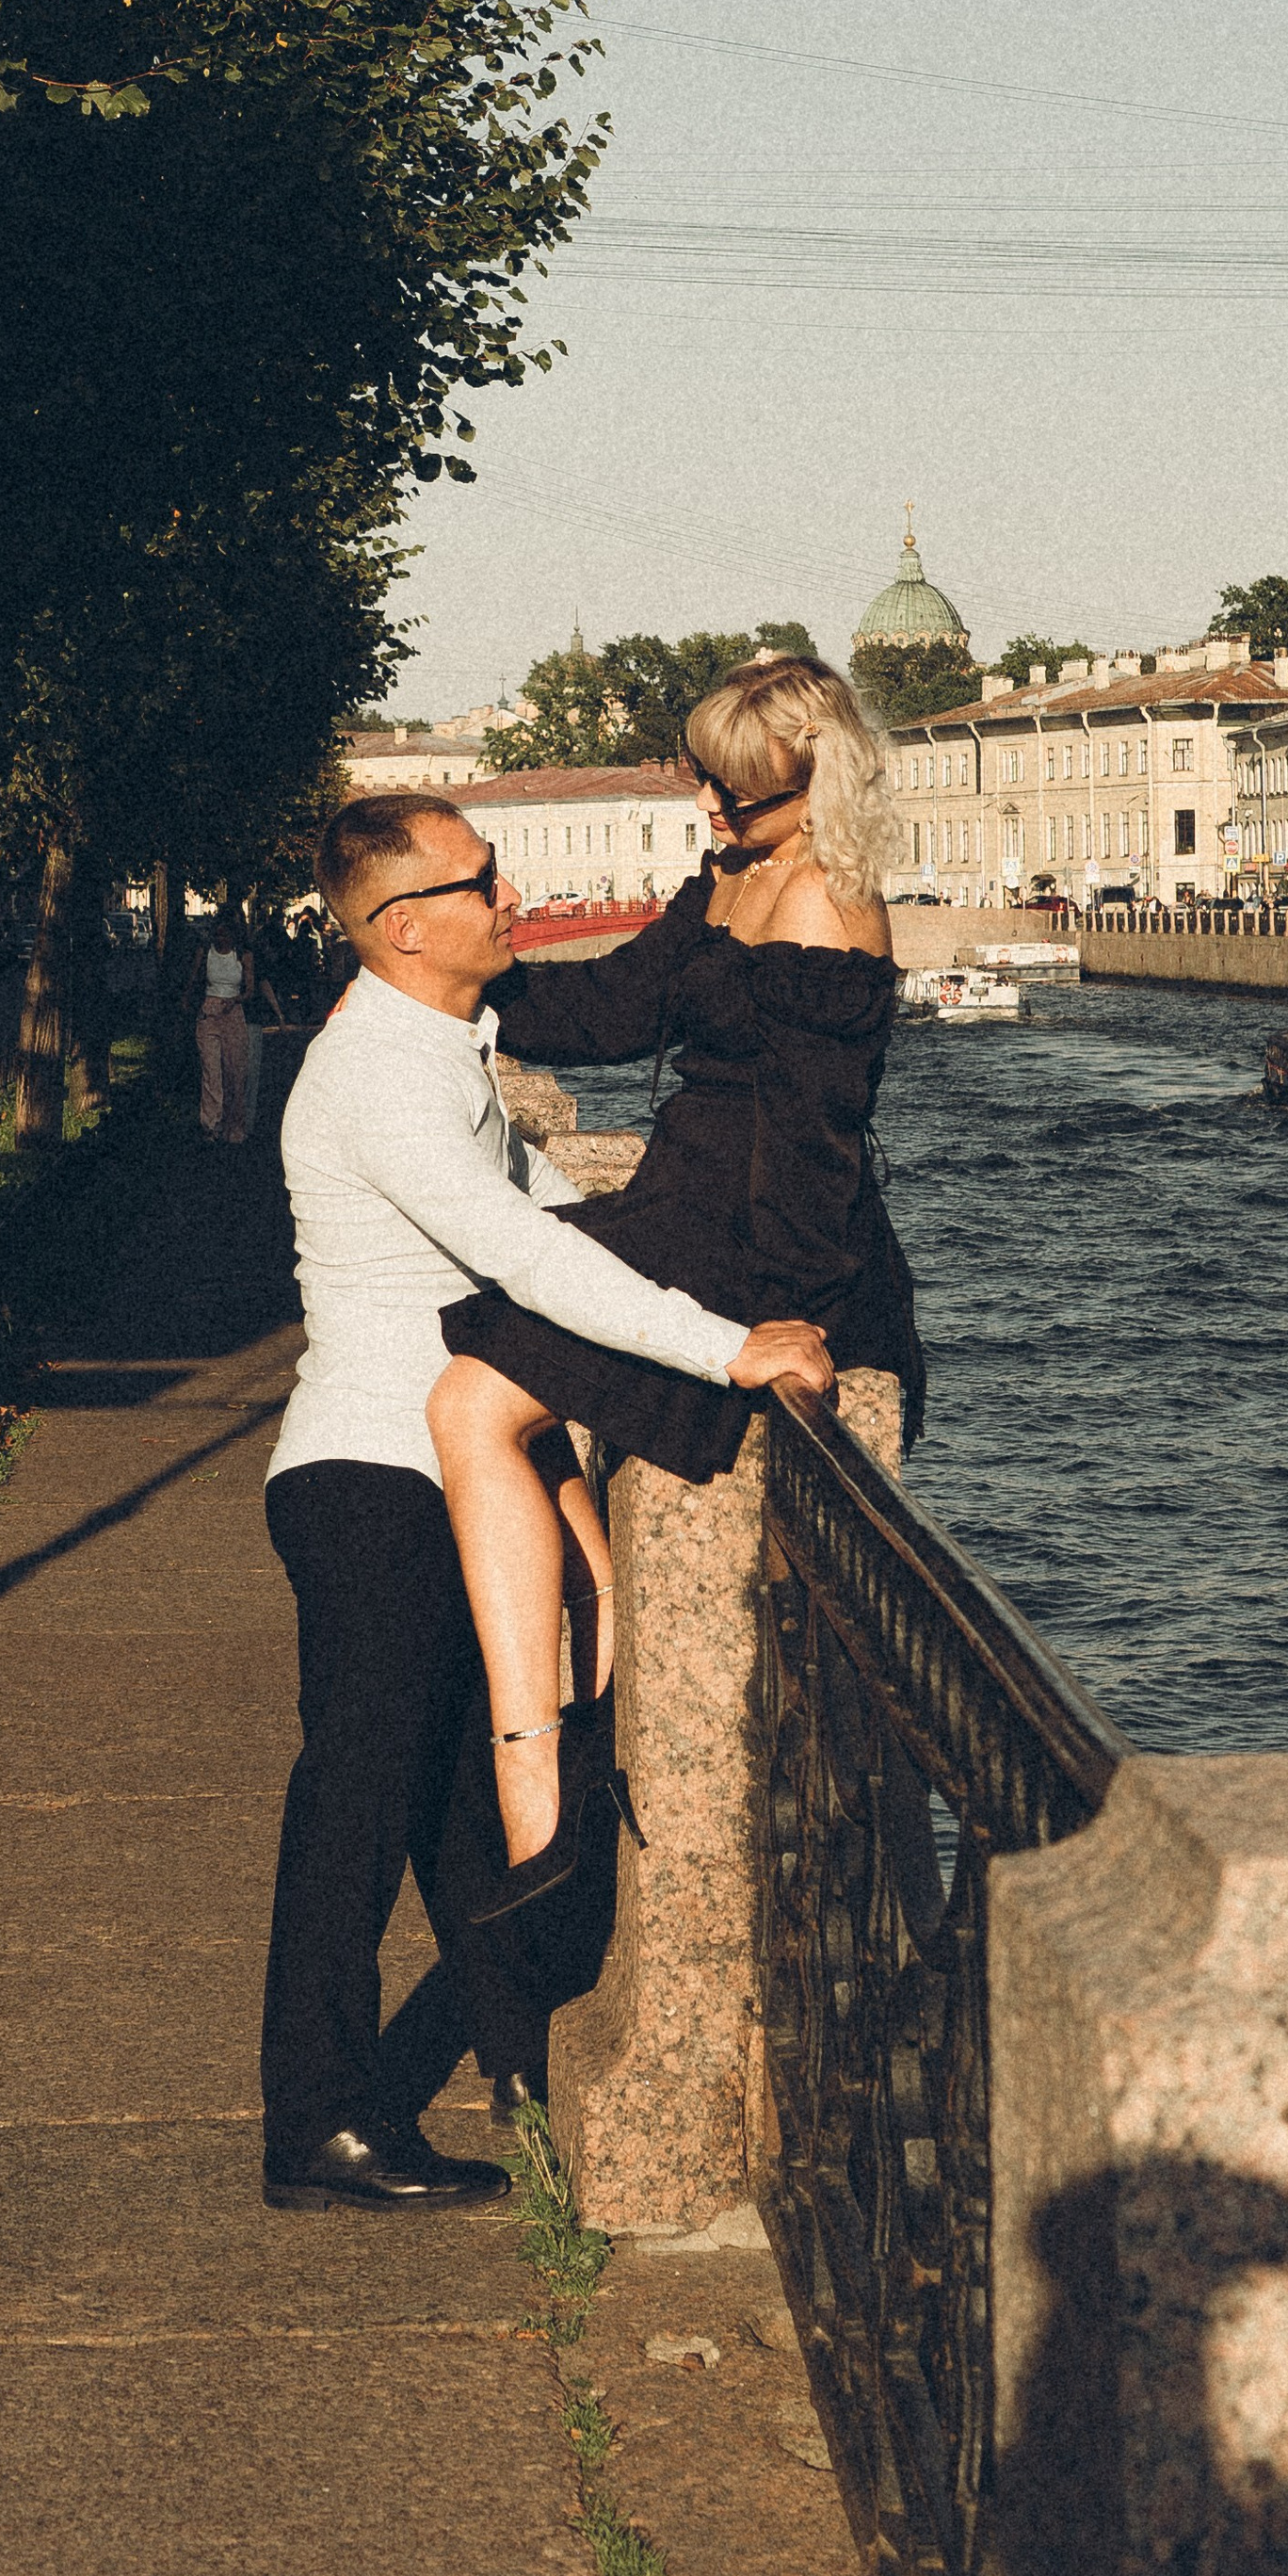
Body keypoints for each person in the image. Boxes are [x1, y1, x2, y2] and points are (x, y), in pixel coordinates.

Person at [260, 788, 831, 2215]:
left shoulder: (441, 1043)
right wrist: (724, 1350)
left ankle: (522, 2061)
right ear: (402, 930)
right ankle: (316, 2125)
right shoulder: (384, 1077)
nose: (509, 894)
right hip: (373, 1475)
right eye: (479, 878)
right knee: (359, 1801)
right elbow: (526, 1256)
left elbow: (569, 1208)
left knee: (458, 1800)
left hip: (430, 1469)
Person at [426, 654, 926, 1909]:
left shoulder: (831, 915)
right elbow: (608, 1010)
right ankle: (580, 1699)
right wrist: (454, 992)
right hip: (680, 1202)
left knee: (479, 1402)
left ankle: (542, 1799)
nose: (712, 809)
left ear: (819, 788)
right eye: (705, 782)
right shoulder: (733, 874)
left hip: (759, 1244)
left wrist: (772, 1316)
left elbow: (816, 1145)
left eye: (739, 796)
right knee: (480, 1385)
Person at [187, 903, 281, 1144]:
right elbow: (193, 981)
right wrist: (191, 1002)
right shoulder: (205, 952)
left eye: (226, 934)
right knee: (211, 1072)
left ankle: (234, 1126)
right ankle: (210, 1125)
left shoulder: (243, 956)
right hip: (209, 1011)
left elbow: (250, 989)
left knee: (235, 1072)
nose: (221, 939)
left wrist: (235, 1000)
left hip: (233, 1012)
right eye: (218, 934)